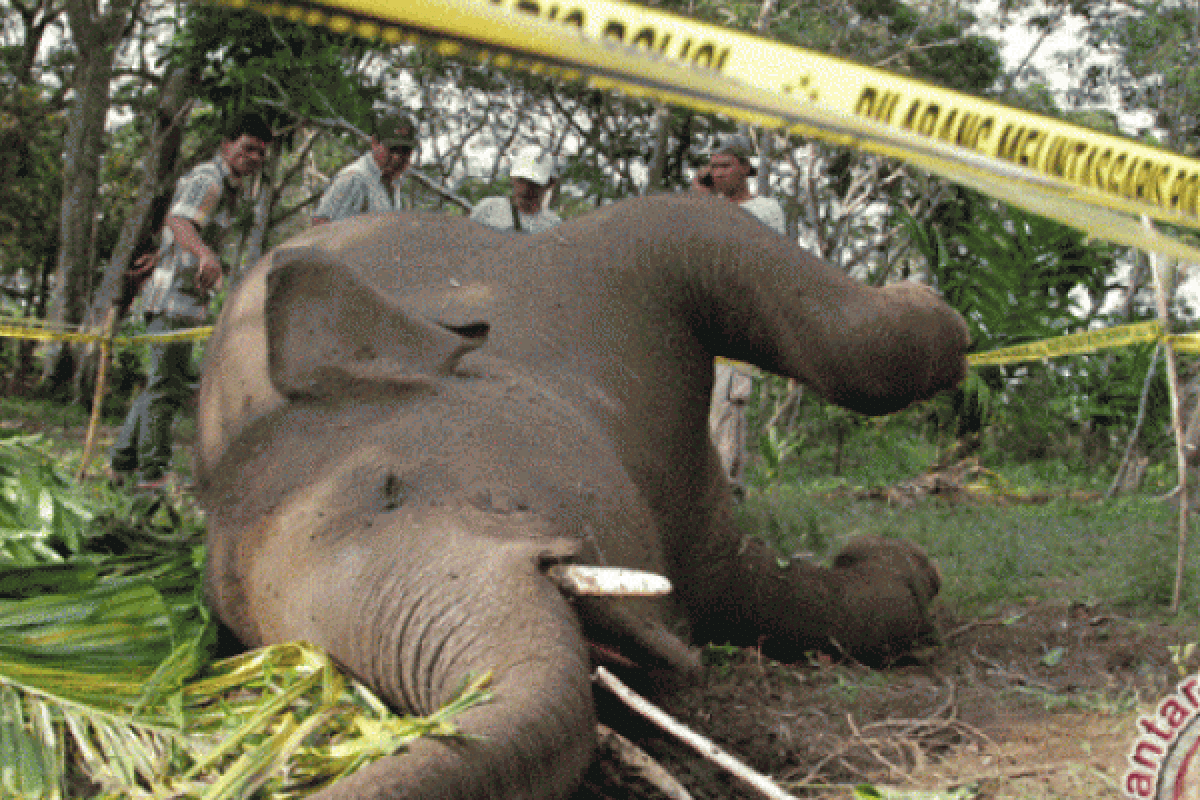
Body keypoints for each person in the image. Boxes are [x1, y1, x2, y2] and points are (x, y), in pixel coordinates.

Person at [109, 111, 273, 491]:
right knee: (165, 390)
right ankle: (152, 475)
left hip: (185, 298)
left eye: (260, 154)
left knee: (160, 385)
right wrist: (205, 255)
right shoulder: (208, 179)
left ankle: (121, 464)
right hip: (172, 300)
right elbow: (179, 222)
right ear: (227, 146)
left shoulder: (232, 188)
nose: (253, 159)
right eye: (247, 149)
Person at [693, 134, 788, 497]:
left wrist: (706, 203)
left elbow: (744, 250)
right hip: (706, 325)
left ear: (745, 169)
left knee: (727, 411)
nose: (717, 173)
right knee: (704, 414)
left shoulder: (765, 209)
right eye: (712, 167)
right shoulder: (708, 207)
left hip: (738, 327)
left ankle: (727, 493)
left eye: (725, 166)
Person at [312, 112, 418, 225]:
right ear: (375, 143)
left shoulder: (392, 182)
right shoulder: (355, 178)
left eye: (405, 151)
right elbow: (320, 225)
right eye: (392, 149)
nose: (397, 157)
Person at [470, 151, 562, 234]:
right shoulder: (489, 208)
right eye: (521, 180)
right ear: (513, 179)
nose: (526, 188)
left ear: (550, 184)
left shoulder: (553, 224)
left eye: (534, 183)